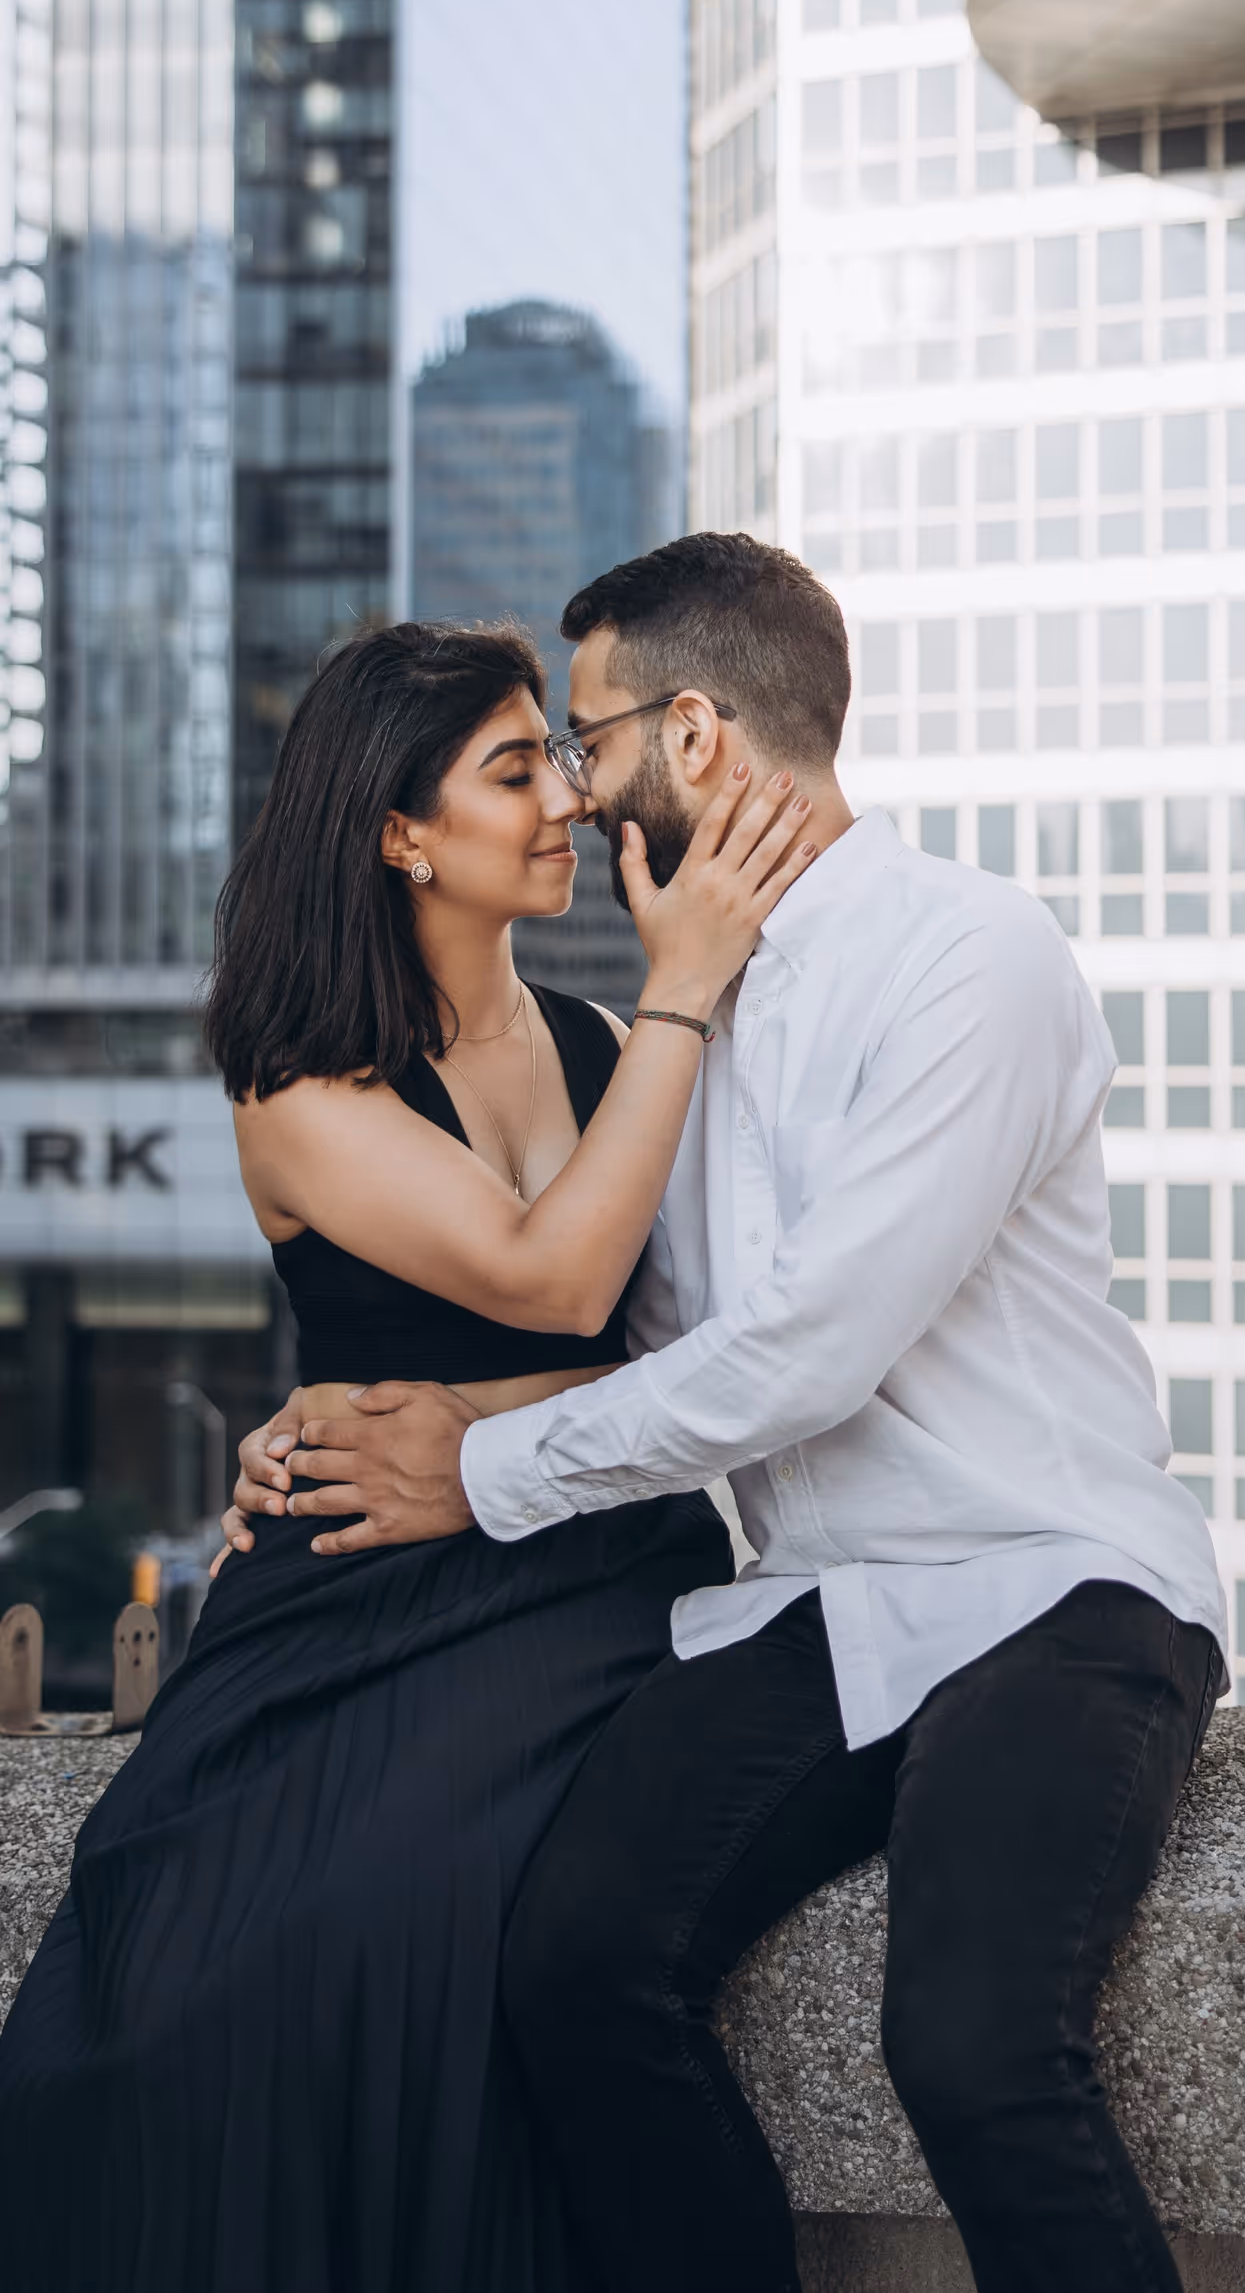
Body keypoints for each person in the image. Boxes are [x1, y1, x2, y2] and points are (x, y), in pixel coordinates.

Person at [229, 534, 1229, 2293]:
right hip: (819, 1616)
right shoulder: (694, 1017)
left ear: (694, 740)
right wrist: (356, 1416)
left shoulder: (966, 957)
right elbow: (657, 1332)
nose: (578, 795)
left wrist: (470, 1467)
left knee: (975, 2039)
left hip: (1056, 1595)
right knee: (571, 1964)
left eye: (590, 741)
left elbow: (804, 1351)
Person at [0, 617, 813, 2293]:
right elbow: (554, 1277)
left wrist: (495, 1421)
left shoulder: (612, 1048)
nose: (566, 808)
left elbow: (707, 1339)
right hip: (361, 1582)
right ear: (399, 828)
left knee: (440, 1919)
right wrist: (687, 990)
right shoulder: (301, 1081)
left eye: (561, 764)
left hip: (596, 1567)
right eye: (515, 772)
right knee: (204, 1975)